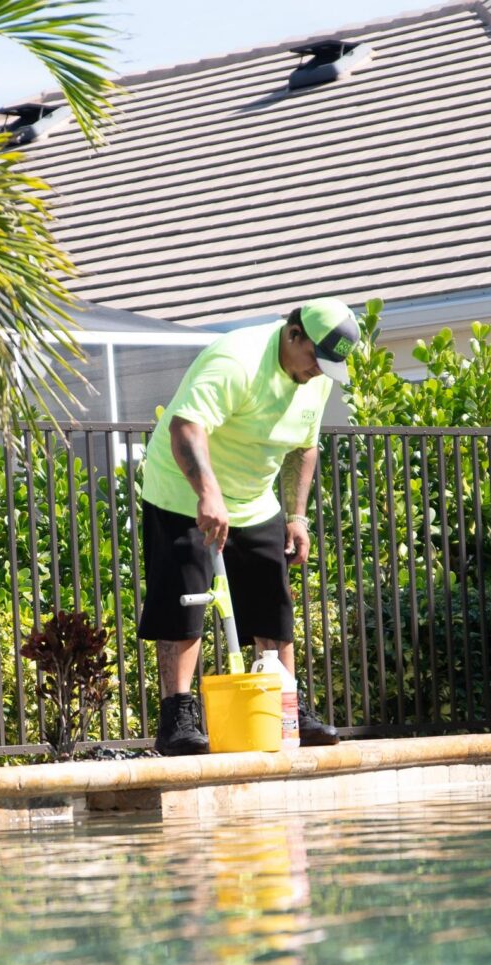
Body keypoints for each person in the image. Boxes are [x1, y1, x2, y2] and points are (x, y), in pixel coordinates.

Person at [137, 299, 358, 755]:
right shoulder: (236, 358)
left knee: (272, 607)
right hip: (182, 490)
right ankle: (176, 719)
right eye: (316, 359)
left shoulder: (314, 380)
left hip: (255, 500)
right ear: (294, 334)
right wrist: (207, 492)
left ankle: (285, 711)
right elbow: (185, 428)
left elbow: (304, 446)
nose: (319, 372)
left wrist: (296, 515)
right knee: (185, 605)